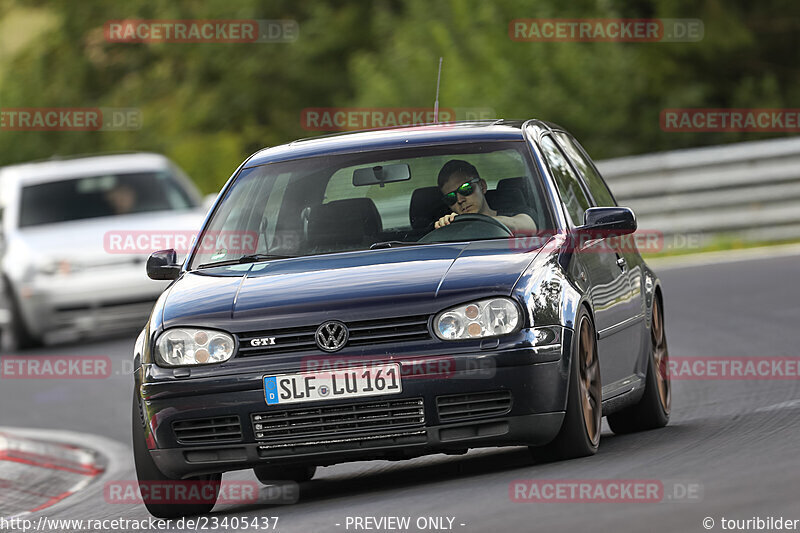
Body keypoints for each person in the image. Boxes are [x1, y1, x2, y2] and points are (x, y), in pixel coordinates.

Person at [434, 159, 537, 232]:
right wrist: (446, 228)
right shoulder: (449, 227)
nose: (460, 200)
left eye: (465, 189)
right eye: (451, 197)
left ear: (482, 186)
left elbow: (528, 226)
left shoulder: (515, 213)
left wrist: (477, 221)